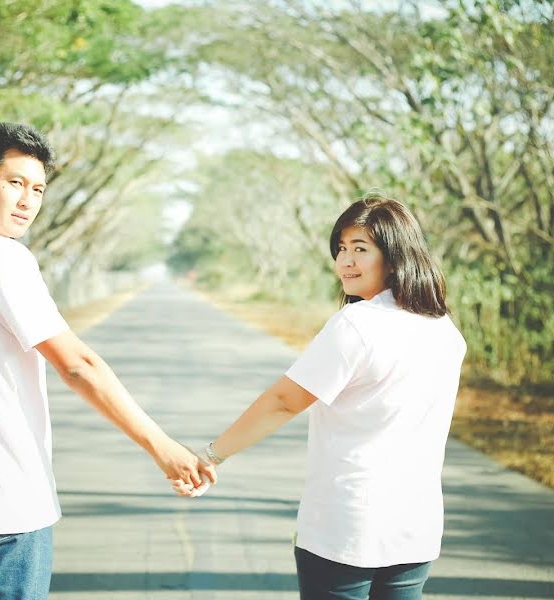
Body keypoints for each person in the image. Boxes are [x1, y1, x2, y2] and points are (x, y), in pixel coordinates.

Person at [0, 122, 216, 600]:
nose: (27, 201)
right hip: (0, 509)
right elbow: (78, 365)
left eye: (37, 189)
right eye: (14, 183)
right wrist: (163, 447)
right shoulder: (3, 259)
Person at [174, 191, 466, 600]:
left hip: (348, 523)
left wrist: (211, 455)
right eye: (341, 248)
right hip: (415, 524)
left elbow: (284, 401)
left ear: (396, 255)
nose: (345, 260)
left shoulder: (358, 324)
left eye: (360, 249)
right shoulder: (443, 329)